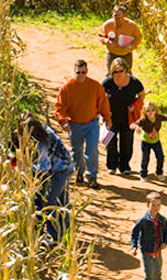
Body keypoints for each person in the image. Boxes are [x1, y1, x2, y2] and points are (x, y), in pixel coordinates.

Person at [55, 59, 112, 189]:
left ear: (87, 72)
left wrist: (107, 118)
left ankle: (92, 176)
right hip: (74, 124)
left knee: (92, 150)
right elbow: (59, 107)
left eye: (83, 72)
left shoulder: (95, 86)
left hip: (91, 123)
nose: (81, 75)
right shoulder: (67, 88)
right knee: (77, 151)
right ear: (74, 72)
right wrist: (63, 122)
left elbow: (103, 103)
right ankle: (79, 173)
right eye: (78, 72)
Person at [18, 112, 74, 242]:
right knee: (62, 203)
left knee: (50, 204)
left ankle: (54, 237)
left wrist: (24, 167)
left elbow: (43, 168)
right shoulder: (45, 129)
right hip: (67, 166)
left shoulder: (42, 143)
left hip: (60, 172)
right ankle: (65, 233)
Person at [102, 57, 145, 175]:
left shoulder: (134, 82)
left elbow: (142, 95)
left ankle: (124, 166)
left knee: (126, 142)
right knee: (110, 142)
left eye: (120, 71)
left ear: (126, 70)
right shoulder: (108, 82)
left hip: (128, 118)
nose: (118, 74)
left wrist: (135, 105)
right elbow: (100, 98)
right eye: (115, 72)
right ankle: (112, 165)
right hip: (111, 117)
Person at [130, 101, 167, 182]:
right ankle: (143, 174)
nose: (150, 113)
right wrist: (137, 127)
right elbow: (132, 125)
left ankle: (159, 172)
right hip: (146, 142)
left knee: (160, 157)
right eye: (148, 111)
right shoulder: (143, 120)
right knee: (145, 158)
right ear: (144, 112)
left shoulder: (158, 117)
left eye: (152, 110)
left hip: (156, 142)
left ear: (156, 111)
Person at [131, 191, 167, 280]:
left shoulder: (162, 220)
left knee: (157, 271)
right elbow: (135, 233)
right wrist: (134, 246)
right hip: (146, 250)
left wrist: (164, 242)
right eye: (153, 205)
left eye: (158, 205)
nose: (156, 208)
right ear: (147, 205)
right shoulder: (143, 220)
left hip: (157, 249)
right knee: (149, 273)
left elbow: (166, 231)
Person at [98, 5, 142, 75]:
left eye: (119, 16)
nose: (117, 18)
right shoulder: (107, 25)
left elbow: (138, 38)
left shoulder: (132, 26)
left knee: (127, 75)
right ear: (112, 15)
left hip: (126, 54)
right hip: (111, 53)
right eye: (116, 15)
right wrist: (107, 41)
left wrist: (131, 46)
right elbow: (101, 36)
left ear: (124, 16)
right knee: (110, 74)